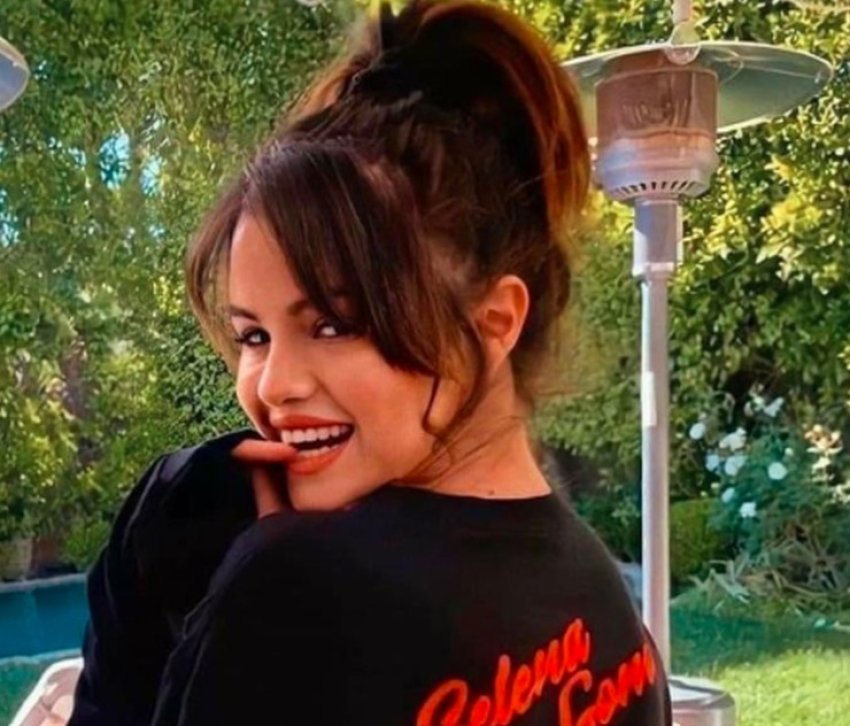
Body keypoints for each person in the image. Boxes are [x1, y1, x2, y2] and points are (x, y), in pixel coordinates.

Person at [68, 1, 673, 724]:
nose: (273, 386)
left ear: (493, 323)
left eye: (333, 324)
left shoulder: (296, 594)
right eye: (253, 336)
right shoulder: (612, 614)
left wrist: (136, 584)